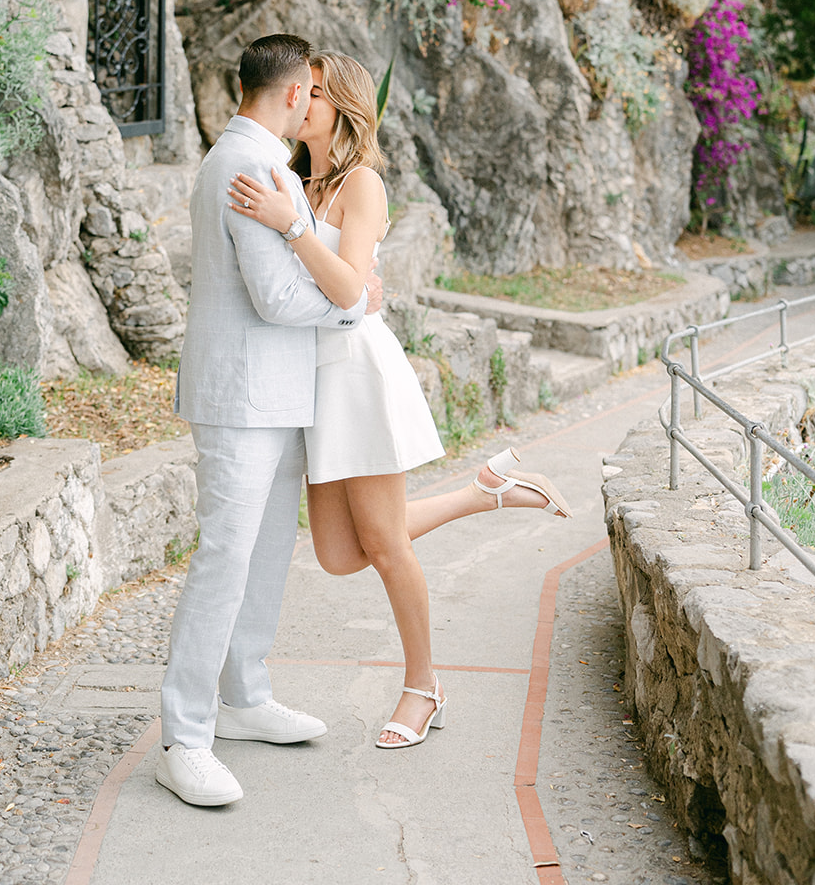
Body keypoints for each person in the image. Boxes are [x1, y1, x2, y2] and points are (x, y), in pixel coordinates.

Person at [228, 51, 572, 751]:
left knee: (384, 545)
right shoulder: (294, 182)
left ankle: (423, 687)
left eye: (317, 95)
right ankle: (484, 491)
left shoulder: (363, 185)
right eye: (303, 92)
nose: (303, 103)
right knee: (335, 553)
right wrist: (288, 219)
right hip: (312, 380)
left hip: (356, 371)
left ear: (344, 107)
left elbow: (351, 289)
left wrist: (290, 229)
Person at [158, 34, 383, 809]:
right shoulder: (247, 166)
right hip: (241, 397)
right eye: (310, 92)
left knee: (262, 554)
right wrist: (353, 306)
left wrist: (341, 269)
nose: (313, 103)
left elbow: (306, 257)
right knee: (224, 558)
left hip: (276, 393)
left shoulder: (261, 165)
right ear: (292, 96)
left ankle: (244, 697)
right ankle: (184, 737)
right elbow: (277, 298)